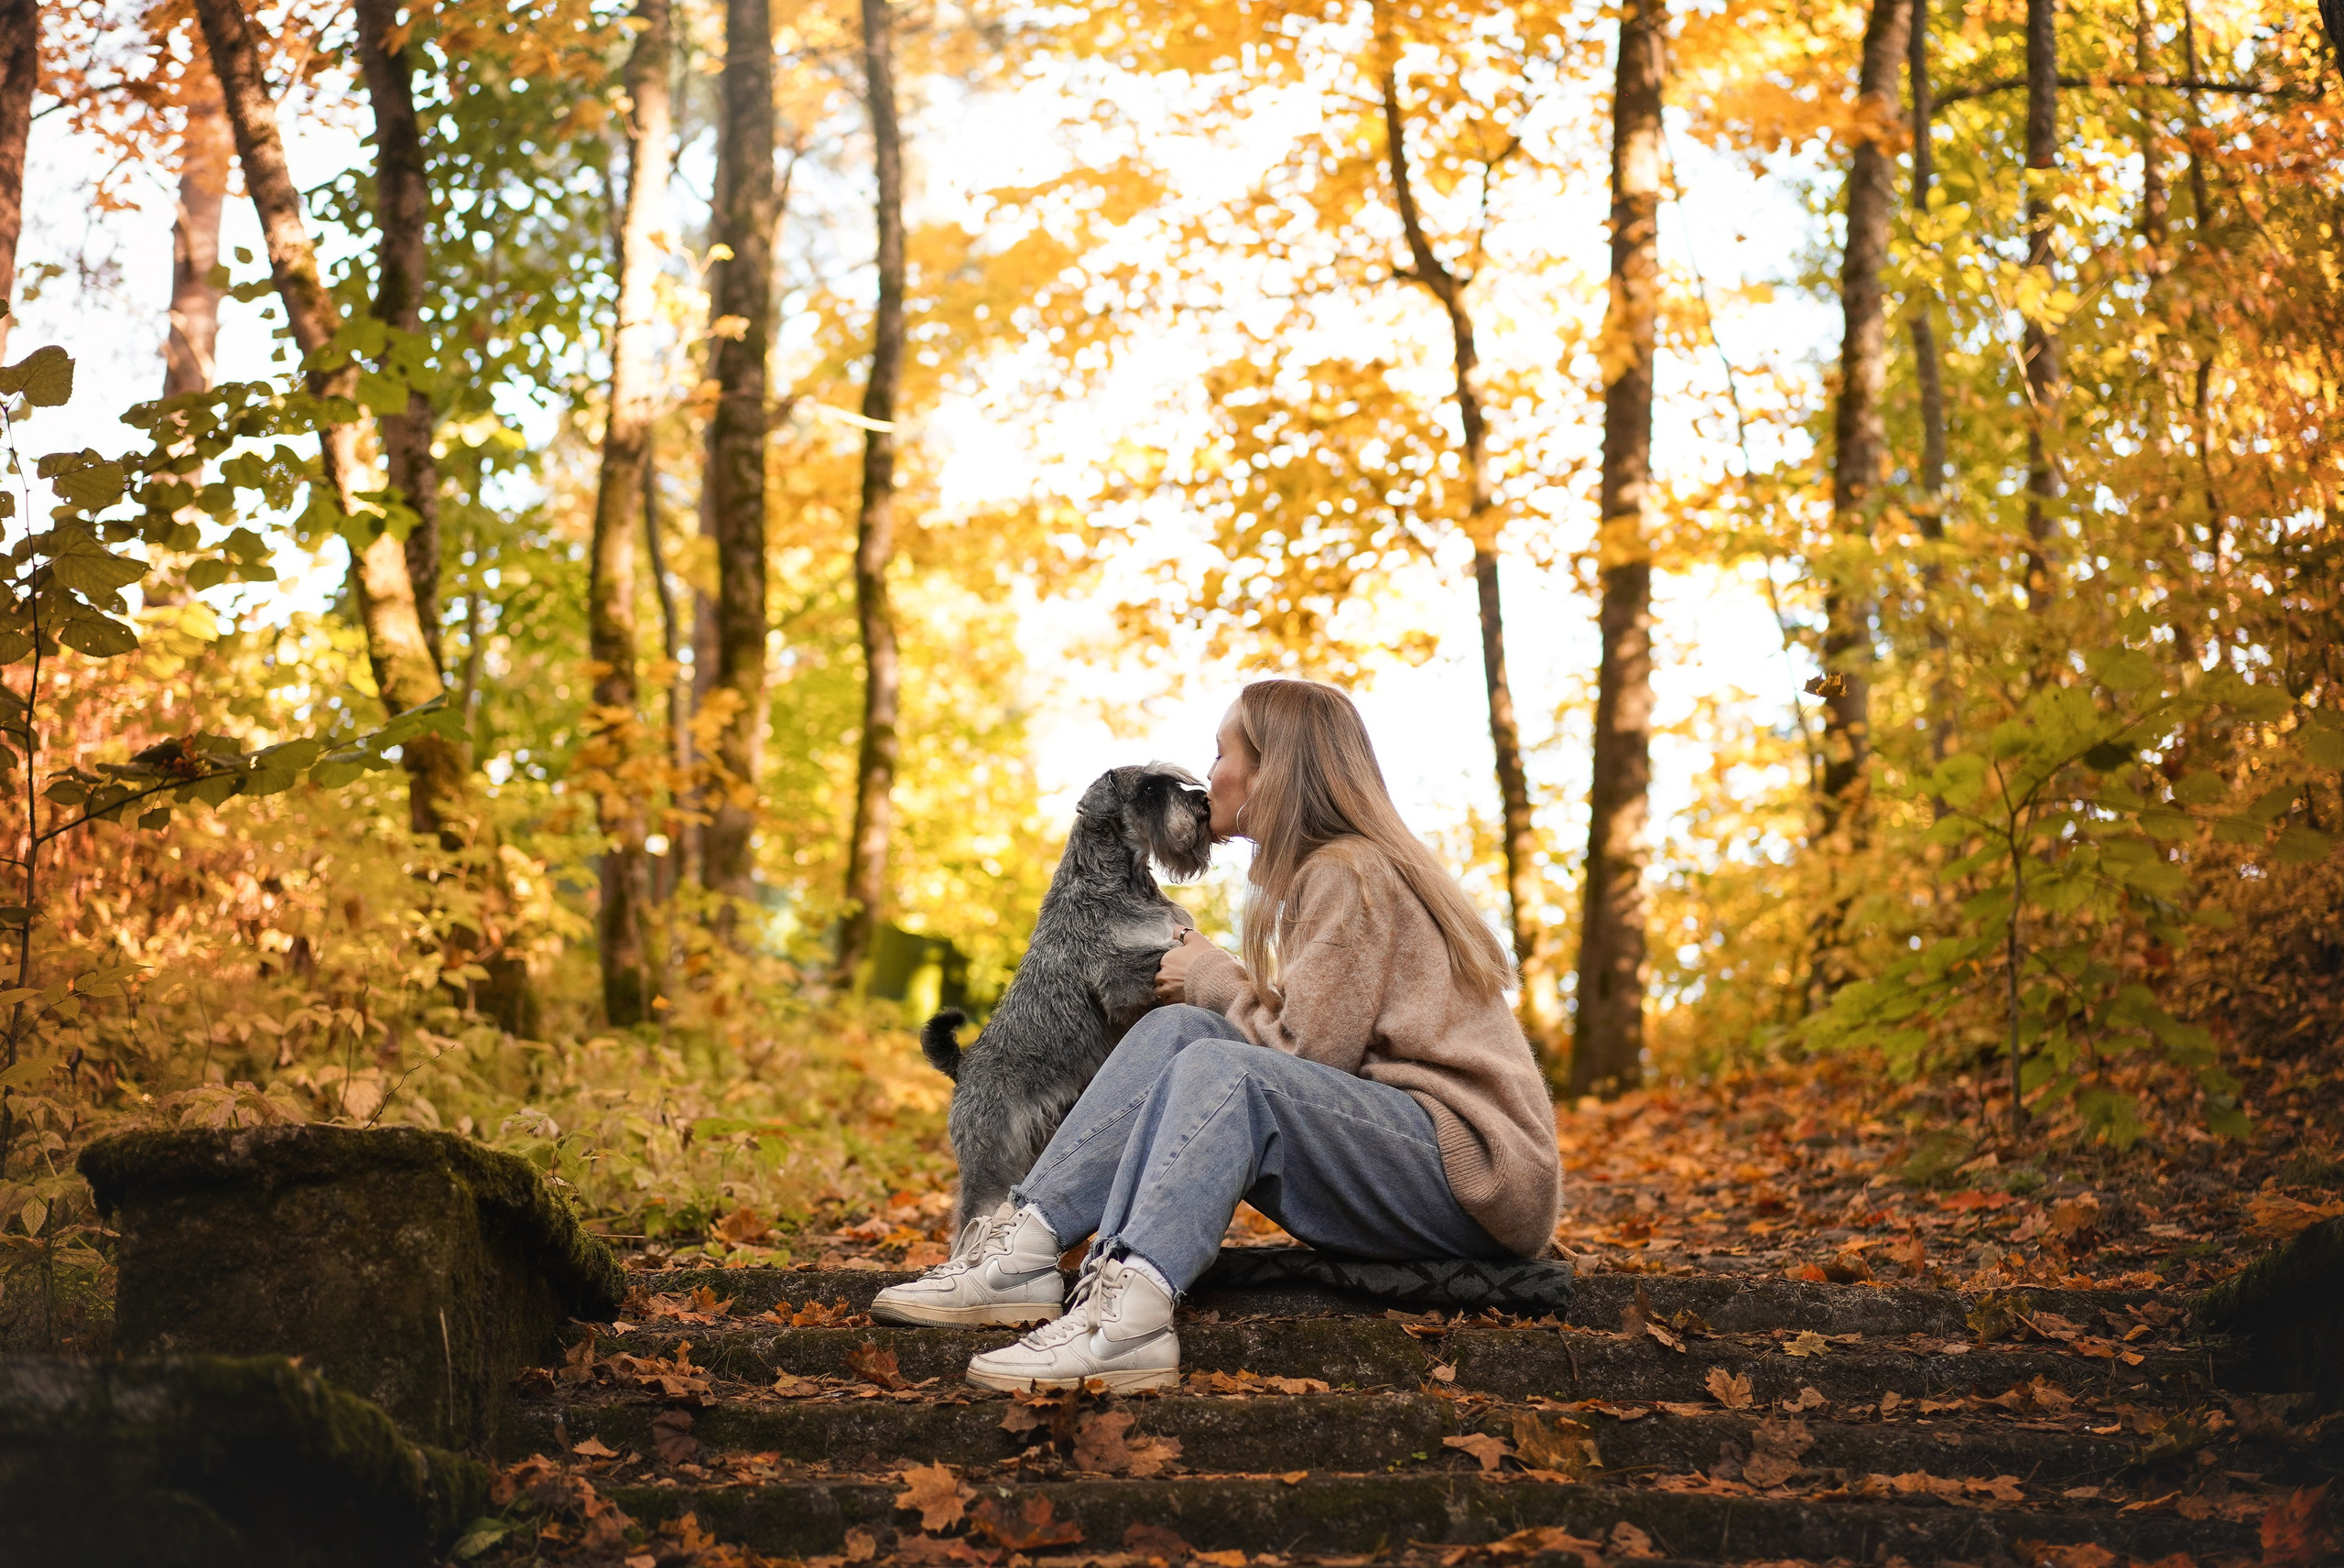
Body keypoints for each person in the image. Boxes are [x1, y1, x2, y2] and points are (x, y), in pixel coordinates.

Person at [873, 678, 1563, 1390]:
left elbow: (1300, 1056)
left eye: (1222, 751)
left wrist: (1211, 970)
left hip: (1473, 1175)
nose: (1210, 775)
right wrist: (1205, 987)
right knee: (1180, 1030)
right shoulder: (1336, 871)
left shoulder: (1347, 871)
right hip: (1419, 1162)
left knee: (1221, 1063)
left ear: (1272, 771)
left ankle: (1128, 1317)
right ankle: (1020, 1248)